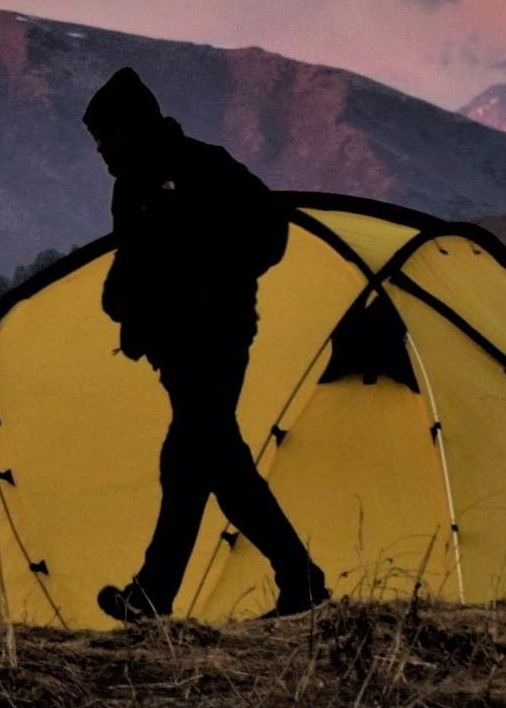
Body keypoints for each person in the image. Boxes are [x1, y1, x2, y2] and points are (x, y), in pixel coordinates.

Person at [81, 67, 328, 621]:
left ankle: (160, 594)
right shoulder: (132, 186)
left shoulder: (202, 166)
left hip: (217, 337)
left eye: (108, 136)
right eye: (96, 140)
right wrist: (121, 301)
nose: (101, 150)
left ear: (134, 127)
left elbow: (269, 231)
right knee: (209, 461)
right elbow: (135, 256)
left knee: (197, 457)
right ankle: (294, 582)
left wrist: (207, 284)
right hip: (175, 348)